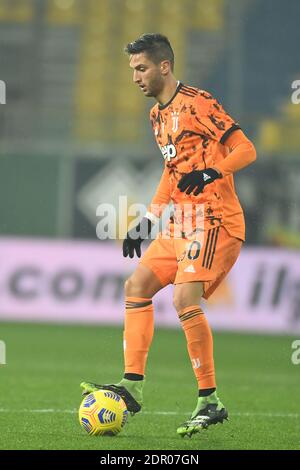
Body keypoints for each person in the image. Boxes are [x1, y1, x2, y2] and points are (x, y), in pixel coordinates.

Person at [81, 33, 256, 437]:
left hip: (215, 219)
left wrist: (213, 171)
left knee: (182, 297)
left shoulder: (199, 102)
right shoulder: (157, 116)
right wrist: (148, 220)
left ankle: (210, 400)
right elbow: (171, 172)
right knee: (136, 285)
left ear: (164, 66)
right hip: (180, 222)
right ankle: (131, 386)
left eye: (141, 68)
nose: (135, 77)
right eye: (132, 70)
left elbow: (246, 149)